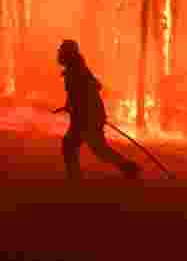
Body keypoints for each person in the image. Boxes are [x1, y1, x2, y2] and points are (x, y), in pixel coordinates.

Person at [53, 39, 141, 180]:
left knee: (87, 148)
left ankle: (128, 168)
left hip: (87, 118)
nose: (59, 54)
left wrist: (88, 113)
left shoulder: (77, 71)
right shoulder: (75, 69)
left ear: (68, 54)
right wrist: (69, 105)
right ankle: (127, 168)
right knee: (88, 148)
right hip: (85, 117)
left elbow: (89, 91)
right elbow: (79, 92)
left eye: (62, 51)